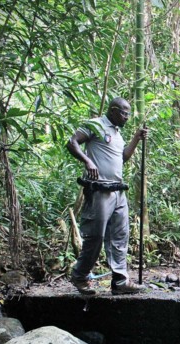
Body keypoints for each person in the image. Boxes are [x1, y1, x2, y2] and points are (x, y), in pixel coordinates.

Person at [67, 97, 148, 295]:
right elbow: (72, 143)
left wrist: (136, 138)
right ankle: (79, 276)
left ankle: (120, 281)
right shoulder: (96, 125)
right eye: (123, 113)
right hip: (99, 190)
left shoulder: (118, 134)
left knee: (120, 236)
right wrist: (87, 161)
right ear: (112, 111)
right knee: (96, 236)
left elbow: (123, 158)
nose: (126, 117)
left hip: (118, 191)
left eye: (128, 114)